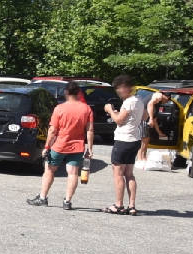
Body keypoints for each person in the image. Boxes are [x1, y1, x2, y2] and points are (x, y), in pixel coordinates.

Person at [27, 81, 94, 210]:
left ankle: (43, 198)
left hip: (59, 145)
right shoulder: (86, 109)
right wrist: (90, 148)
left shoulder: (60, 108)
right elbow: (90, 130)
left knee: (49, 170)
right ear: (78, 93)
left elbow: (52, 131)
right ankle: (67, 202)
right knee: (73, 173)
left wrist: (47, 147)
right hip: (77, 146)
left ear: (66, 92)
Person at [103, 75, 144, 215]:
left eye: (119, 88)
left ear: (127, 87)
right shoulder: (139, 101)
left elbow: (119, 121)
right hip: (134, 139)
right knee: (129, 174)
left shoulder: (129, 102)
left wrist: (109, 110)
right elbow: (142, 117)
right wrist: (117, 113)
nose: (118, 91)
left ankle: (118, 204)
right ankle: (131, 205)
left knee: (118, 173)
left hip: (123, 140)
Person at [137, 89, 169, 163]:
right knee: (144, 139)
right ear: (166, 96)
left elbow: (155, 121)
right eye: (168, 100)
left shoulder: (158, 104)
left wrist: (159, 132)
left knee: (146, 139)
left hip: (144, 119)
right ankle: (140, 158)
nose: (167, 102)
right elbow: (150, 104)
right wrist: (150, 118)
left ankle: (143, 157)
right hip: (142, 119)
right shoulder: (159, 96)